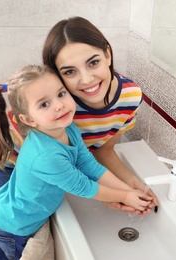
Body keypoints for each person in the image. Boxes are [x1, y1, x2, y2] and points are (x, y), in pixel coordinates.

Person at [0, 65, 153, 259]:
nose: (59, 105)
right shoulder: (45, 155)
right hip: (14, 227)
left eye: (61, 94)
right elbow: (83, 187)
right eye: (44, 104)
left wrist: (128, 191)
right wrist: (125, 197)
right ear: (29, 120)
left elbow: (87, 164)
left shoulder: (67, 129)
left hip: (14, 209)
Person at [39, 16, 158, 211]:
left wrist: (131, 182)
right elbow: (52, 163)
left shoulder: (130, 97)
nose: (86, 80)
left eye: (93, 63)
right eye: (70, 72)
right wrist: (107, 194)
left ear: (108, 54)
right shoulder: (58, 107)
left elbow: (103, 150)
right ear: (57, 75)